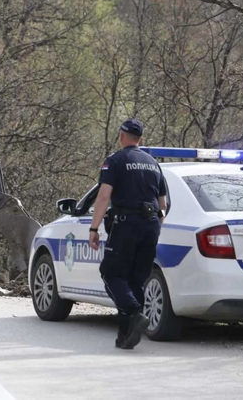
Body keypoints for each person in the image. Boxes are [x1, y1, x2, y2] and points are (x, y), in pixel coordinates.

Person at [88, 119, 167, 350]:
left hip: (126, 223)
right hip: (151, 223)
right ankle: (125, 336)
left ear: (122, 136)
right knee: (136, 280)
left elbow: (104, 196)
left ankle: (134, 314)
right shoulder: (154, 163)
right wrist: (156, 226)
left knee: (111, 273)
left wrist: (94, 228)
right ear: (140, 139)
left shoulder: (116, 160)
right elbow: (163, 204)